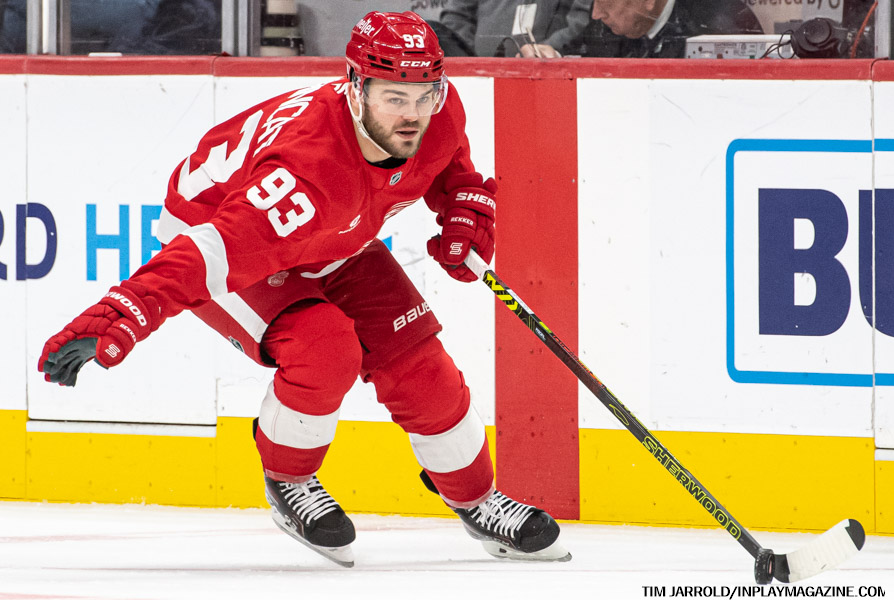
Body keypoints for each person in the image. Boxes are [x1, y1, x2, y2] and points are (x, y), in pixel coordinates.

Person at [37, 11, 570, 567]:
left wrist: (463, 208)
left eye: (423, 96)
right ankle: (289, 480)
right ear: (355, 86)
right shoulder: (303, 173)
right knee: (324, 347)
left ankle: (477, 500)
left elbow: (448, 163)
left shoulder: (437, 110)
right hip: (223, 230)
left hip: (334, 236)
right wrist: (119, 314)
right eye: (394, 98)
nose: (412, 115)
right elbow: (206, 255)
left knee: (420, 367)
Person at [566, 0, 763, 58]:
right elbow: (578, 53)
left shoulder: (722, 23)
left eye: (606, 2)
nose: (596, 14)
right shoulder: (610, 21)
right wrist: (554, 55)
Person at [435, 0, 591, 58]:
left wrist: (548, 51)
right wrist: (474, 60)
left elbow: (585, 18)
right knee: (433, 29)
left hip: (548, 76)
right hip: (480, 79)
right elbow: (456, 17)